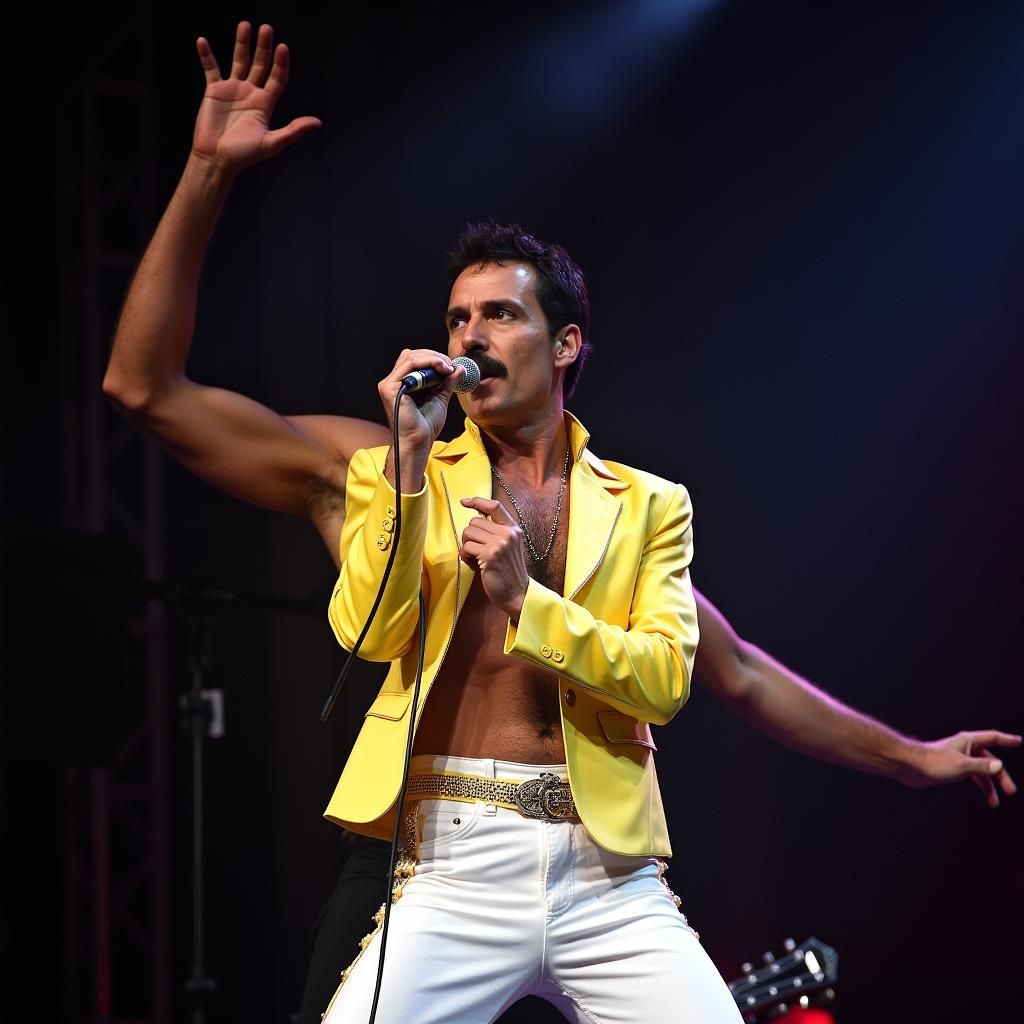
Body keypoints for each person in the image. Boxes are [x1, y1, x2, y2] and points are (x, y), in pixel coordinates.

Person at [102, 21, 1020, 1024]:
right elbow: (145, 389)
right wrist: (206, 173)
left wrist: (911, 756)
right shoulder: (378, 465)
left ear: (566, 342)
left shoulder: (638, 509)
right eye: (457, 319)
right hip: (444, 854)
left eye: (498, 315)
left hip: (604, 870)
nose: (469, 335)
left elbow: (732, 672)